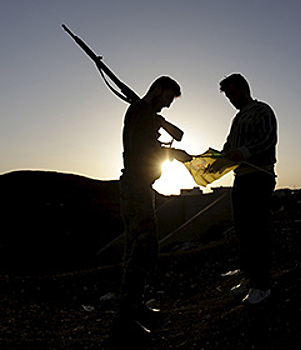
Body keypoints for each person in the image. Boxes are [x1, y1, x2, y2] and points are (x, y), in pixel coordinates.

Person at [112, 76, 189, 340]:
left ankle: (132, 309)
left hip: (138, 187)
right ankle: (125, 318)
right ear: (158, 90)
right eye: (167, 98)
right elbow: (141, 150)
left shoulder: (144, 114)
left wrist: (166, 144)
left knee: (137, 249)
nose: (167, 106)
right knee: (144, 249)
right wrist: (173, 154)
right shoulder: (139, 112)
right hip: (135, 187)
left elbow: (149, 144)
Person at [217, 73, 278, 305]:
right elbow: (229, 146)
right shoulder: (237, 119)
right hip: (241, 178)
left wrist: (244, 152)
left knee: (257, 232)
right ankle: (250, 277)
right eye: (229, 95)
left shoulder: (263, 111)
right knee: (243, 231)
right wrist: (219, 157)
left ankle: (262, 285)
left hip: (259, 176)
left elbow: (268, 140)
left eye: (234, 92)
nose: (232, 98)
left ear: (244, 88)